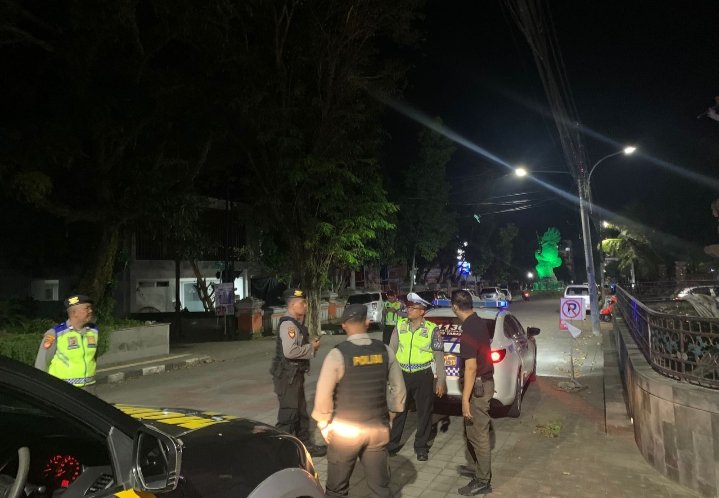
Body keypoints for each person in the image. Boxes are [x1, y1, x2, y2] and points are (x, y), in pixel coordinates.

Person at [312, 304, 406, 498]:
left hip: (345, 432)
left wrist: (323, 424)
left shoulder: (338, 354)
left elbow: (323, 393)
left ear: (344, 325)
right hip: (377, 429)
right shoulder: (385, 350)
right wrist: (390, 417)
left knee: (336, 490)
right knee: (380, 489)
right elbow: (399, 389)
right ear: (367, 322)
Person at [386, 292, 445, 461]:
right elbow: (391, 351)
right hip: (402, 374)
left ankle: (421, 447)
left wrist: (440, 381)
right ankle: (392, 445)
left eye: (412, 308)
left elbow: (439, 356)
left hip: (423, 375)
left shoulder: (432, 329)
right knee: (398, 410)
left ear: (422, 311)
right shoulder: (400, 326)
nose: (408, 310)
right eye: (408, 307)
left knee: (424, 412)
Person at [269, 287, 326, 457]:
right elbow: (290, 352)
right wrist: (311, 348)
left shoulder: (295, 324)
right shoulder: (288, 325)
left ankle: (305, 446)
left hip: (294, 375)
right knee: (289, 414)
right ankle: (278, 452)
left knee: (301, 413)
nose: (305, 306)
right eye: (302, 303)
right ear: (293, 305)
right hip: (288, 377)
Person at [451, 289, 495, 496]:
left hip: (478, 389)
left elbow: (470, 368)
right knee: (473, 433)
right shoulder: (478, 321)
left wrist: (465, 401)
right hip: (483, 384)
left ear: (455, 307)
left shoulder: (468, 329)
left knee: (478, 435)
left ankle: (483, 480)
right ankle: (479, 470)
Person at [34, 294, 99, 390]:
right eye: (87, 308)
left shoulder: (94, 331)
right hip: (63, 390)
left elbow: (93, 357)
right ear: (74, 312)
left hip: (89, 389)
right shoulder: (55, 333)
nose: (90, 311)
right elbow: (41, 363)